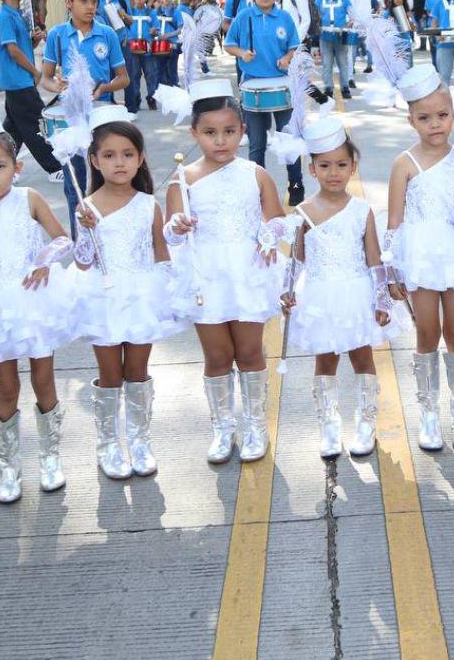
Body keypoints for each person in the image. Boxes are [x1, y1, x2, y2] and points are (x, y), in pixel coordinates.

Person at [163, 79, 287, 464]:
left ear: (243, 131)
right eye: (210, 133)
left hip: (247, 273)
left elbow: (279, 221)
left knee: (250, 351)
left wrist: (267, 239)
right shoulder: (182, 181)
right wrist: (178, 226)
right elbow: (169, 235)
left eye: (230, 132)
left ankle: (254, 425)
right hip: (207, 277)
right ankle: (222, 428)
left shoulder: (254, 173)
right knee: (217, 355)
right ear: (194, 133)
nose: (221, 141)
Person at [0, 117, 76, 502]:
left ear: (16, 167)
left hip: (34, 297)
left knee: (43, 377)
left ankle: (51, 457)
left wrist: (44, 259)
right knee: (6, 387)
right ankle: (9, 466)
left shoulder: (29, 199)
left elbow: (62, 238)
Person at [280, 117, 406, 459]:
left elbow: (373, 260)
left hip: (357, 295)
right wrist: (288, 290)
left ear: (353, 167)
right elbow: (297, 260)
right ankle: (329, 427)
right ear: (311, 169)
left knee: (362, 356)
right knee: (326, 358)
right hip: (320, 296)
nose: (333, 172)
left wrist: (382, 299)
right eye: (324, 166)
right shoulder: (303, 213)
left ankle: (366, 423)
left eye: (341, 165)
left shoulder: (361, 210)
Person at [72, 108, 177, 479]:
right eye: (110, 155)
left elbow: (161, 254)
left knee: (137, 370)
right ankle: (108, 444)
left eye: (128, 154)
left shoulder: (150, 204)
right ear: (95, 160)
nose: (120, 162)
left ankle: (139, 440)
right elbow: (83, 262)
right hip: (104, 298)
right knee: (110, 373)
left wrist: (169, 295)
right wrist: (86, 231)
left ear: (141, 159)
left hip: (141, 294)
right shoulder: (87, 207)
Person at [383, 64, 454, 452]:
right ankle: (427, 412)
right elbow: (394, 221)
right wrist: (392, 268)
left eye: (443, 116)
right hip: (420, 257)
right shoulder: (405, 163)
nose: (435, 124)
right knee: (427, 332)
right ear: (411, 120)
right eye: (425, 118)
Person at [40, 0, 129, 237]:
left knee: (105, 175)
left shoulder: (107, 34)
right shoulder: (57, 35)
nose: (90, 7)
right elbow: (44, 78)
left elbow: (123, 77)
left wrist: (105, 88)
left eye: (94, 1)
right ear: (69, 3)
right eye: (84, 1)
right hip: (70, 115)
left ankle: (108, 234)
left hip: (101, 111)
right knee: (74, 181)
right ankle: (81, 239)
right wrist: (57, 87)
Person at [223, 0, 306, 205]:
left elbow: (294, 46)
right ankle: (257, 189)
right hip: (252, 85)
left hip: (282, 85)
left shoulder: (285, 18)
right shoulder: (244, 17)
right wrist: (242, 53)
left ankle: (296, 184)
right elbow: (229, 45)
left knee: (288, 140)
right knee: (257, 144)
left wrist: (287, 58)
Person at [0, 0, 61, 184]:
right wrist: (35, 71)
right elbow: (12, 51)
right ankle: (54, 168)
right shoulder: (3, 17)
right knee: (36, 124)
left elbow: (22, 48)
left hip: (21, 79)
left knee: (14, 130)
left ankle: (1, 167)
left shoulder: (17, 15)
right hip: (17, 80)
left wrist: (34, 41)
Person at [316, 0, 352, 98]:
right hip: (325, 36)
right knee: (327, 63)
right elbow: (314, 16)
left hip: (341, 36)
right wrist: (318, 26)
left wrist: (345, 27)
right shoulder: (319, 0)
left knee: (343, 62)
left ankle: (345, 87)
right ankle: (328, 88)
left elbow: (353, 18)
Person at [125, 0, 156, 118]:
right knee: (134, 75)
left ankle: (151, 97)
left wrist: (154, 30)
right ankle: (136, 98)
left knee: (150, 75)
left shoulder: (151, 12)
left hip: (147, 48)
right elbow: (125, 28)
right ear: (134, 0)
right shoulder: (129, 12)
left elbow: (156, 27)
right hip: (133, 48)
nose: (139, 0)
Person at [423, 0, 446, 64]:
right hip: (432, 25)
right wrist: (435, 18)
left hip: (444, 24)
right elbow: (428, 10)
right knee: (434, 48)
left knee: (444, 48)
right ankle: (436, 68)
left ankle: (444, 68)